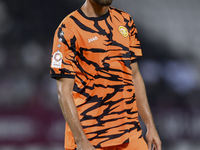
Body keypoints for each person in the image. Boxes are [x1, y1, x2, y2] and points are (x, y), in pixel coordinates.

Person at [50, 0, 161, 150]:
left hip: (130, 135)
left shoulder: (125, 21)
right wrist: (81, 141)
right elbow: (63, 92)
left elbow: (134, 76)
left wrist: (150, 125)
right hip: (91, 139)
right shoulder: (68, 29)